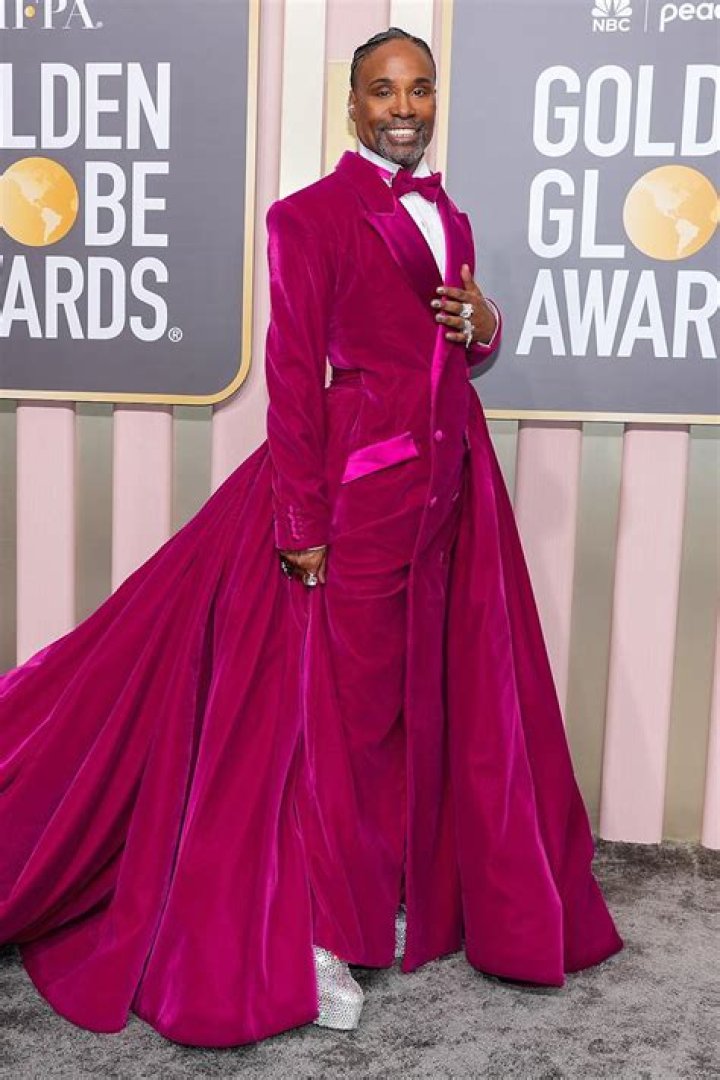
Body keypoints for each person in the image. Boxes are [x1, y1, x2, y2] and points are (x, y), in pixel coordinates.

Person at [0, 27, 623, 1049]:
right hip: (356, 498)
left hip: (451, 496)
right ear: (352, 104)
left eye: (419, 88)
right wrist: (302, 523)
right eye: (383, 90)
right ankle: (320, 933)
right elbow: (293, 376)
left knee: (416, 705)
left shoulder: (451, 215)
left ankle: (390, 891)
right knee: (335, 726)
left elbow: (452, 354)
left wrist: (485, 323)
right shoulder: (306, 218)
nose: (404, 107)